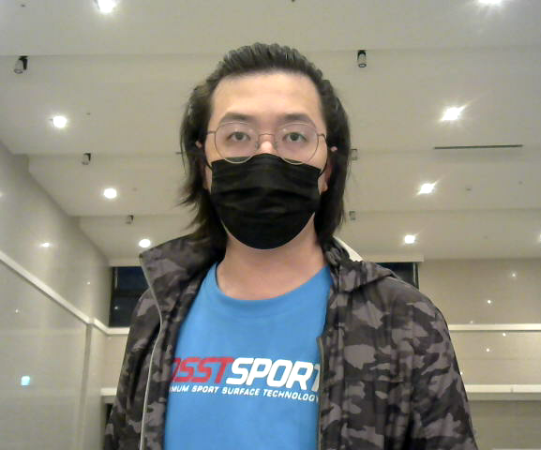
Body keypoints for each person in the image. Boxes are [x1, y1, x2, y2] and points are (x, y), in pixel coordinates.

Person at [104, 42, 479, 450]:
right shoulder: (158, 312)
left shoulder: (403, 320)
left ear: (327, 169)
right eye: (238, 135)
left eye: (295, 136)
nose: (266, 154)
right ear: (203, 166)